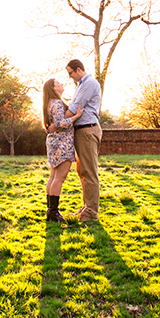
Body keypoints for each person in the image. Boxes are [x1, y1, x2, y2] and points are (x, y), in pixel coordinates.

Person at [48, 59, 103, 222]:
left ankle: (91, 212)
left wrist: (55, 125)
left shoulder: (89, 84)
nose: (70, 77)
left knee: (89, 171)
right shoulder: (80, 86)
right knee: (82, 171)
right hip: (81, 131)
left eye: (70, 73)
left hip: (87, 130)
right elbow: (72, 105)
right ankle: (87, 207)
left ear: (78, 70)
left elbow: (73, 109)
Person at [42, 78, 83, 222]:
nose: (61, 84)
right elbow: (60, 123)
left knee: (53, 176)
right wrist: (76, 117)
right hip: (62, 143)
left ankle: (50, 211)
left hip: (54, 142)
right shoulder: (57, 103)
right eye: (58, 83)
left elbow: (55, 123)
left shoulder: (49, 103)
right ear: (53, 88)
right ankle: (54, 212)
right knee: (59, 178)